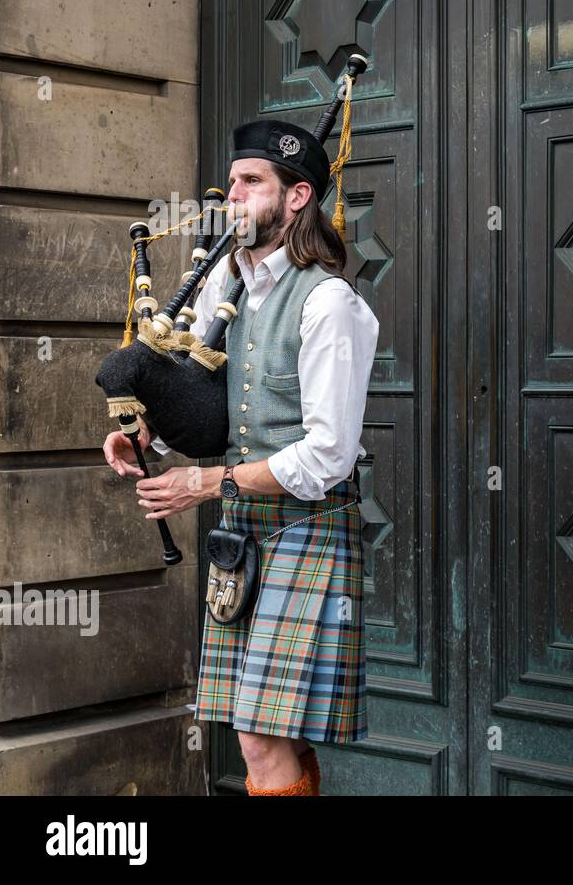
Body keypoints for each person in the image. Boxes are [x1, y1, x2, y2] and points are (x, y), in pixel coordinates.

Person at [102, 119, 379, 796]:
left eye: (251, 182)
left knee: (258, 735)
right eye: (231, 182)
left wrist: (206, 481)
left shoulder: (328, 302)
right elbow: (206, 402)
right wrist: (149, 439)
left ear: (296, 197)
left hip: (307, 526)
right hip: (245, 534)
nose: (233, 195)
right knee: (258, 731)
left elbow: (328, 456)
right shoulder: (227, 289)